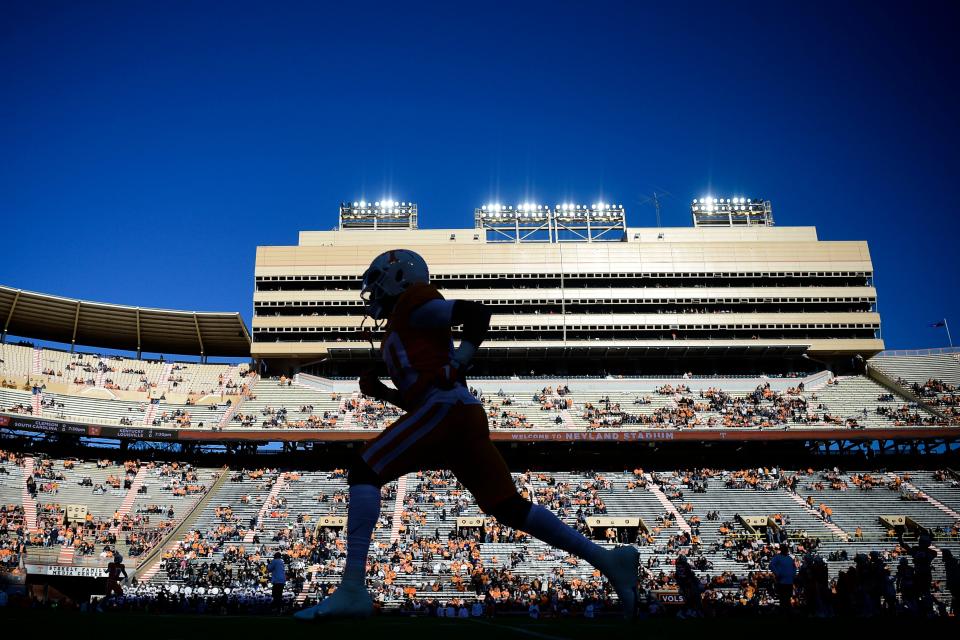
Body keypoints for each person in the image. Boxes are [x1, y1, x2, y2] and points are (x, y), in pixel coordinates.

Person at [295, 249, 638, 621]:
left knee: (364, 469)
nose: (372, 291)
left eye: (377, 281)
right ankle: (608, 561)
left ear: (399, 278)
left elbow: (476, 315)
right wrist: (385, 394)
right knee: (507, 507)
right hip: (457, 414)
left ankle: (351, 589)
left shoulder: (415, 303)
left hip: (448, 410)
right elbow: (423, 398)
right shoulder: (405, 322)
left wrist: (458, 362)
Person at [769, 543, 796, 613]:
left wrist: (792, 575)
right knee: (784, 599)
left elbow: (794, 568)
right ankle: (785, 613)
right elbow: (771, 565)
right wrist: (778, 573)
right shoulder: (778, 557)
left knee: (786, 599)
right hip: (782, 581)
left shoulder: (789, 558)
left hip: (788, 581)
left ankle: (787, 613)